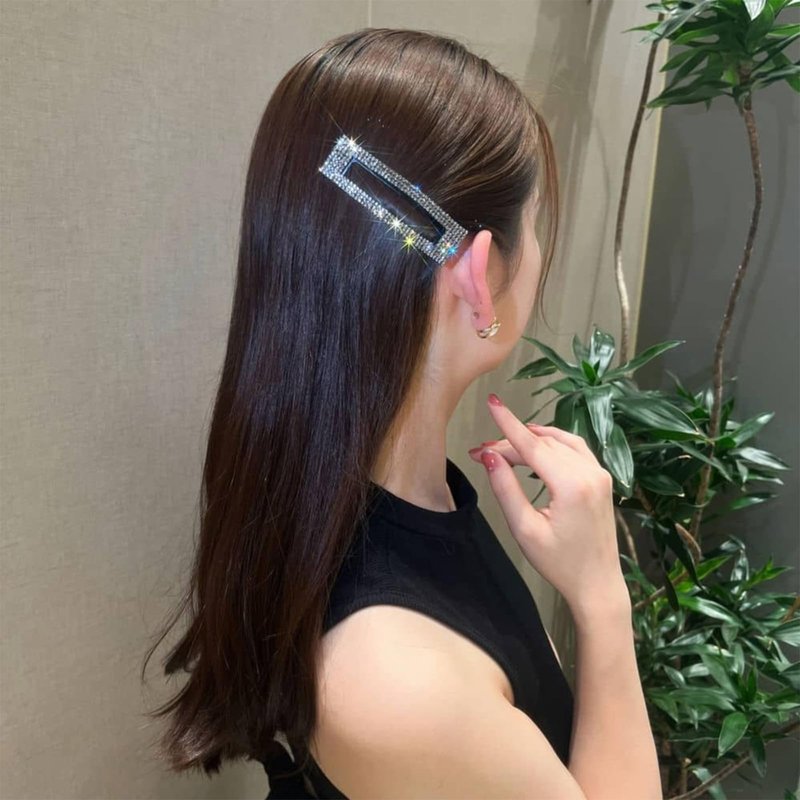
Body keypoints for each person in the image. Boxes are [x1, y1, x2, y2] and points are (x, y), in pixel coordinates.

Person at [141, 26, 662, 800]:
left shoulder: (369, 491)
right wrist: (600, 597)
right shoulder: (396, 679)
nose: (539, 251)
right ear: (479, 276)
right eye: (535, 220)